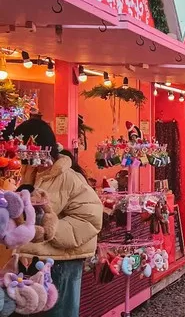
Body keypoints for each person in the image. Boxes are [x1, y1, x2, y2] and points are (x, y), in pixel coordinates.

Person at [15, 119, 103, 317]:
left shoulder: (69, 177)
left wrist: (48, 230)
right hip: (30, 262)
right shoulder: (29, 174)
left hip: (61, 262)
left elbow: (90, 219)